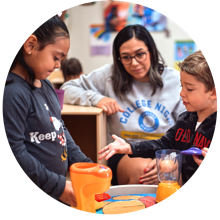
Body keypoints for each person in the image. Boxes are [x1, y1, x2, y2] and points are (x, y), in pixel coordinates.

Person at [60, 24, 185, 186]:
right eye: (125, 57)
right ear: (118, 58)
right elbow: (67, 88)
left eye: (140, 54)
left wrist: (169, 159)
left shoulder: (175, 80)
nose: (134, 63)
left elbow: (186, 126)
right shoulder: (108, 76)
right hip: (124, 150)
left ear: (152, 51)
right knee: (145, 172)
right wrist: (96, 98)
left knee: (171, 176)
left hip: (166, 151)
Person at [2, 14, 93, 207]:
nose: (59, 65)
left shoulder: (47, 86)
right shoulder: (13, 92)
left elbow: (60, 129)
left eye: (61, 59)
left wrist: (83, 162)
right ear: (30, 45)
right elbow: (15, 151)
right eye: (55, 57)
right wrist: (58, 186)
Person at [98, 50, 217, 186]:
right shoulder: (185, 119)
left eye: (189, 89)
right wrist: (129, 147)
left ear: (213, 92)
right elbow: (162, 144)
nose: (181, 93)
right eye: (181, 86)